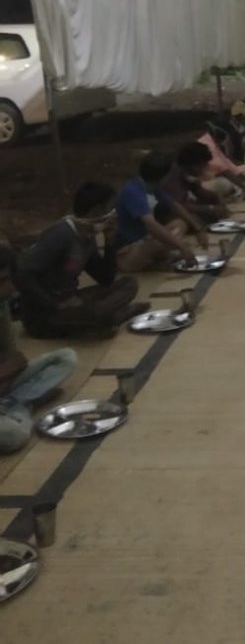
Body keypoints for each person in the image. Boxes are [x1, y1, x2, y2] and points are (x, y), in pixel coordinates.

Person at [13, 183, 144, 339]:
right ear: (97, 210)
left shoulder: (87, 236)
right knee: (100, 313)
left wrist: (109, 243)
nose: (114, 214)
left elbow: (105, 278)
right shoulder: (61, 234)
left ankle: (103, 318)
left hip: (73, 299)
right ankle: (113, 316)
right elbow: (22, 274)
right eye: (111, 208)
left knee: (129, 284)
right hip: (46, 314)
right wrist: (55, 304)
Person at [0, 247, 77, 454]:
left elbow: (16, 359)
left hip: (4, 385)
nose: (11, 288)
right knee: (15, 435)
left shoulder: (2, 306)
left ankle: (16, 404)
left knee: (66, 358)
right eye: (2, 281)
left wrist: (8, 372)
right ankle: (21, 407)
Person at [113, 153, 202, 274]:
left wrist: (198, 229)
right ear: (163, 176)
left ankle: (158, 257)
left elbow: (174, 205)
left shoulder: (153, 188)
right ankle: (151, 260)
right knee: (159, 239)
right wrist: (181, 247)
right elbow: (151, 226)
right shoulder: (133, 192)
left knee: (179, 224)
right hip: (129, 250)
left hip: (145, 239)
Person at [161, 142, 229, 224]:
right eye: (203, 165)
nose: (204, 168)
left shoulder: (188, 174)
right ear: (193, 164)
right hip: (168, 211)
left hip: (184, 205)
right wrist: (210, 208)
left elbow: (200, 192)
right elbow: (180, 205)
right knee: (194, 218)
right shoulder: (173, 176)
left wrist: (216, 196)